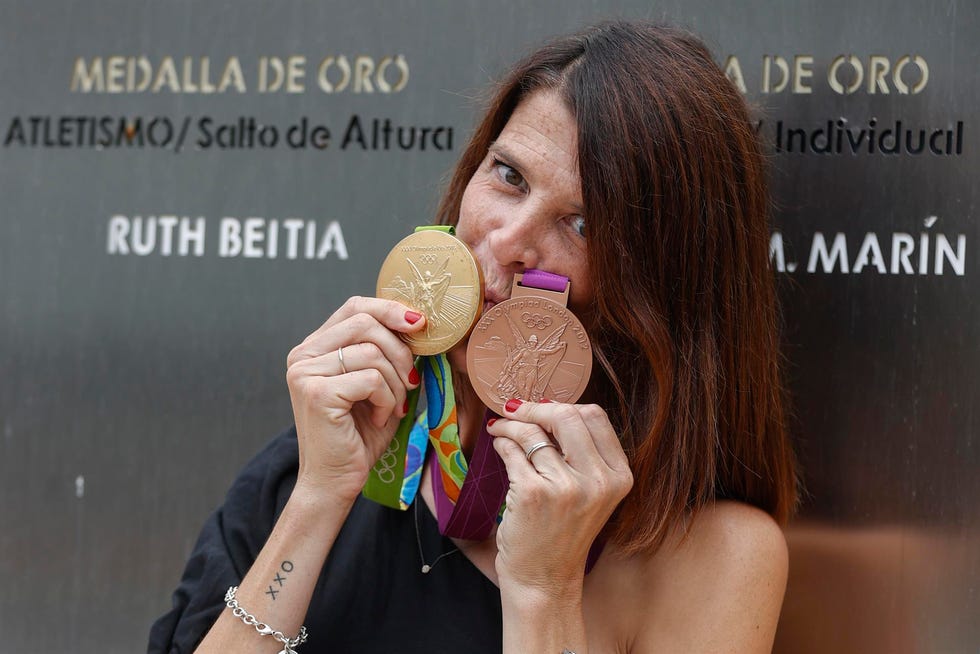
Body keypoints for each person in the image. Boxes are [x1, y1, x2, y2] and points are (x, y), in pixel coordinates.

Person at [150, 20, 797, 654]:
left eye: (581, 223)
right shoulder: (326, 456)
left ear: (662, 289)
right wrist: (319, 499)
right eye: (510, 176)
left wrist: (544, 591)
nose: (510, 240)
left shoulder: (713, 556)